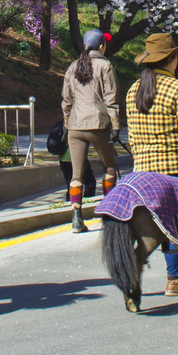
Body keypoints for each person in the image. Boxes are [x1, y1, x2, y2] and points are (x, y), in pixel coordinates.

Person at [126, 33, 178, 296]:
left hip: (143, 172)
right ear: (172, 59)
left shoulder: (133, 90)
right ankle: (175, 279)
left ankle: (140, 274)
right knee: (175, 225)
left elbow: (132, 137)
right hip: (174, 169)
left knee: (152, 225)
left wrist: (140, 162)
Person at [60, 29, 120, 232]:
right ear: (101, 46)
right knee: (109, 167)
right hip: (98, 125)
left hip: (75, 126)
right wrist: (116, 125)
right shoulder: (105, 66)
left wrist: (67, 123)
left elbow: (66, 100)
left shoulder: (73, 67)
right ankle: (109, 213)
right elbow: (111, 99)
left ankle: (76, 217)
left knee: (77, 174)